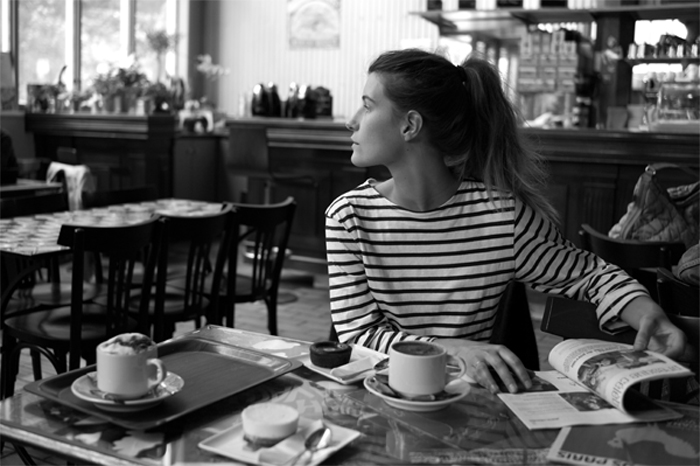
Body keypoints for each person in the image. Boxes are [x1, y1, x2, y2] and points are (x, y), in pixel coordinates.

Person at [324, 48, 688, 395]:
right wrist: (451, 348)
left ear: (410, 125)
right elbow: (358, 336)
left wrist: (646, 313)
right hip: (379, 398)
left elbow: (591, 275)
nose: (351, 121)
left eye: (367, 106)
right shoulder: (349, 217)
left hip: (469, 405)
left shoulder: (501, 218)